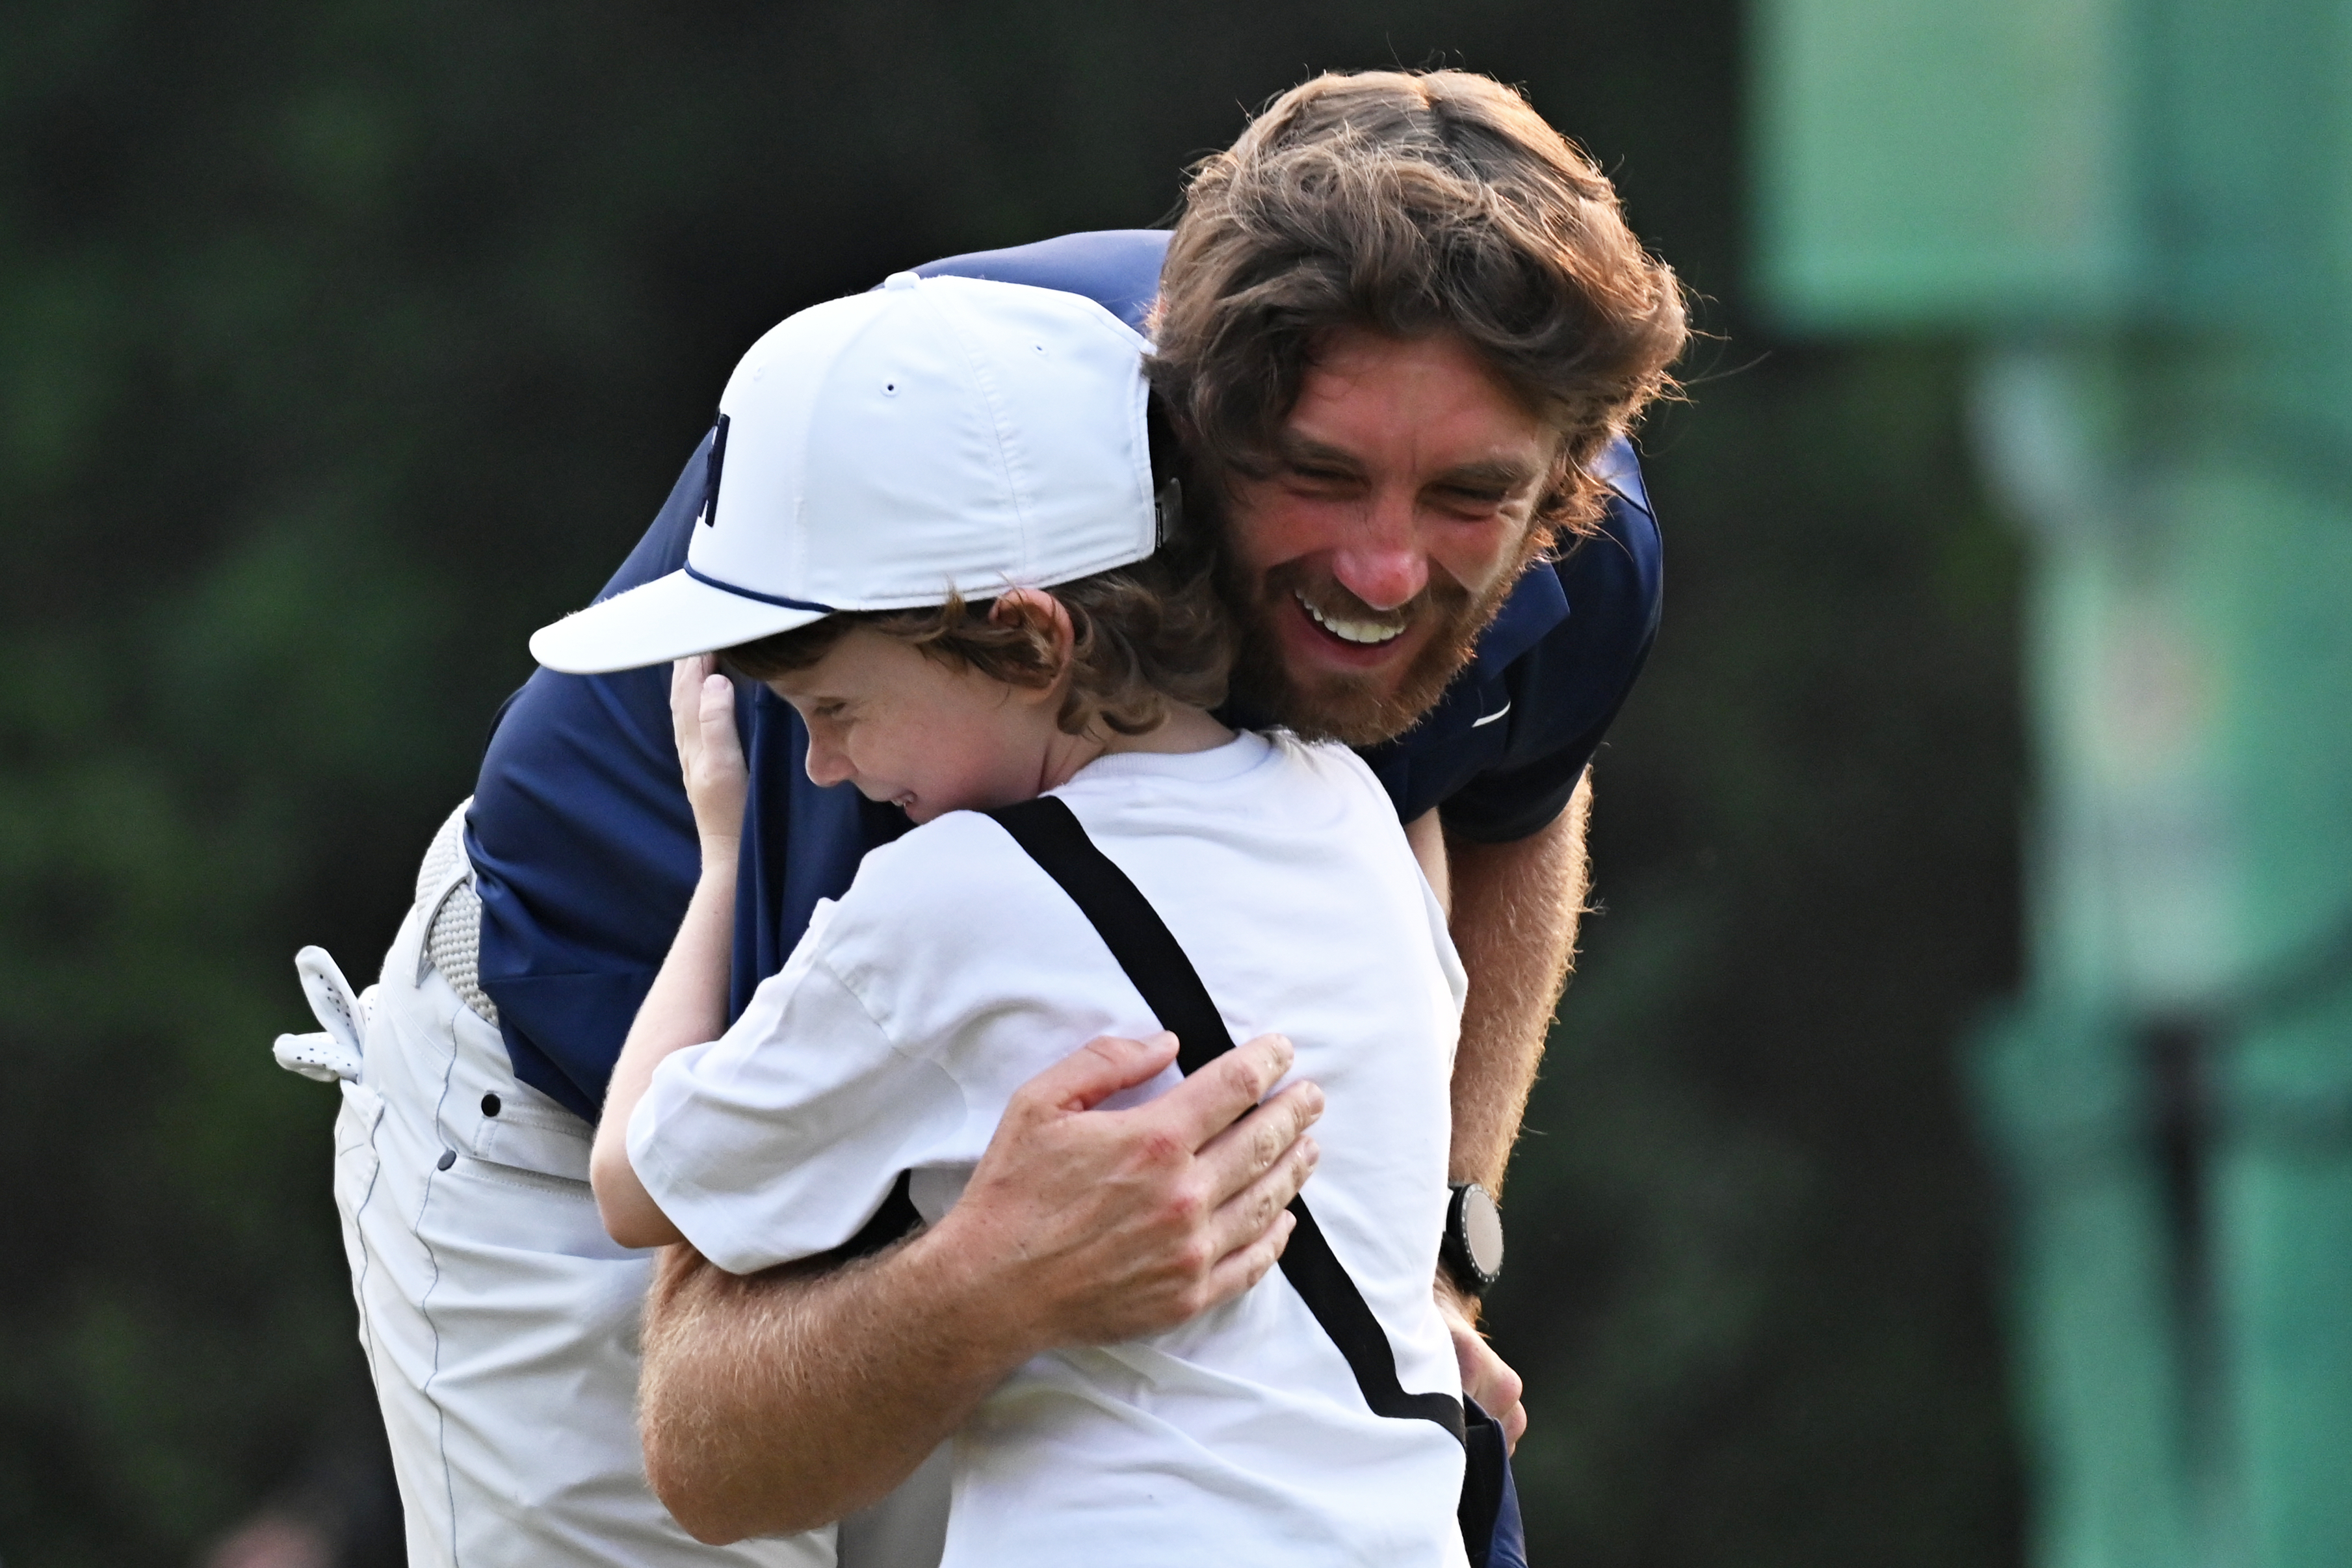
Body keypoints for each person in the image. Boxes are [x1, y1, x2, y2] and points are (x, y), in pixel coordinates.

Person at [274, 65, 1680, 1568]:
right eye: (1320, 476)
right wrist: (994, 1278)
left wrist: (1431, 1255)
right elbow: (711, 1434)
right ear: (1195, 440)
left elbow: (1505, 803)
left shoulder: (1576, 550)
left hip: (1038, 1164)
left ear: (1566, 480)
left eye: (1472, 496)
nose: (1388, 572)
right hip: (603, 1090)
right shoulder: (926, 689)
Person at [543, 268, 1476, 1565]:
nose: (819, 769)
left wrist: (720, 864)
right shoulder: (1349, 813)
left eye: (835, 710)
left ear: (1032, 644)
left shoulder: (954, 900)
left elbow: (637, 1183)